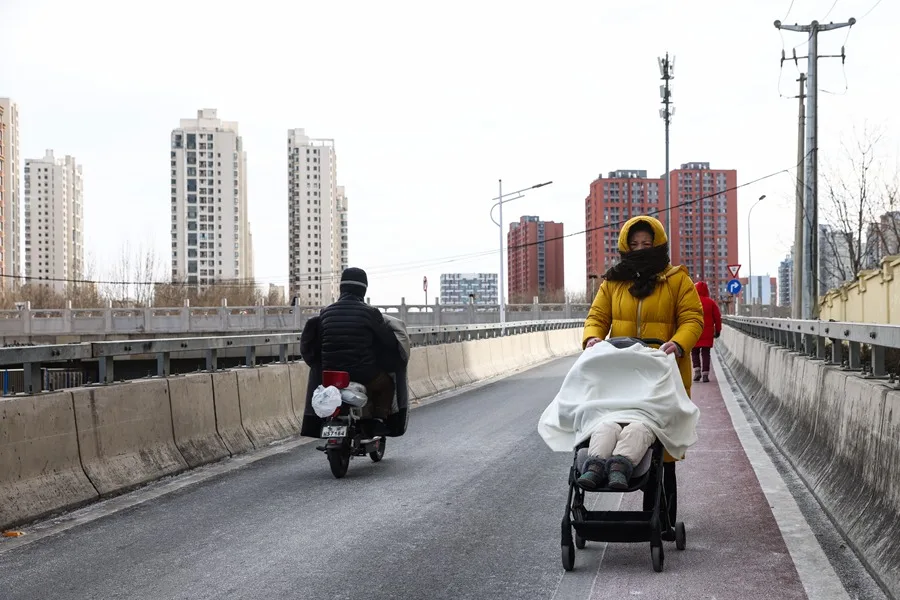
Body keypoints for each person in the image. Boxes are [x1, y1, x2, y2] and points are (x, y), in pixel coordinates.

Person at [579, 215, 704, 491]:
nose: (640, 249)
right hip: (622, 371)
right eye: (634, 244)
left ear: (658, 245)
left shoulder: (677, 281)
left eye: (647, 244)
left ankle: (660, 500)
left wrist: (678, 343)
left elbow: (692, 319)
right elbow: (597, 316)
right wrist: (592, 337)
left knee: (657, 437)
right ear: (626, 246)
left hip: (661, 372)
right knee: (611, 421)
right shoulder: (613, 283)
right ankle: (599, 465)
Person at [307, 267, 403, 422]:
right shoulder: (371, 313)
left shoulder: (325, 313)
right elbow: (389, 342)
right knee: (386, 385)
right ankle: (378, 421)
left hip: (331, 375)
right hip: (363, 374)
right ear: (363, 290)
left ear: (341, 288)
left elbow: (316, 345)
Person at [692, 281, 722, 383]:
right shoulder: (711, 303)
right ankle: (705, 374)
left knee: (694, 352)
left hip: (695, 331)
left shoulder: (692, 302)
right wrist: (718, 330)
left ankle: (697, 371)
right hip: (708, 332)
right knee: (706, 353)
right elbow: (717, 318)